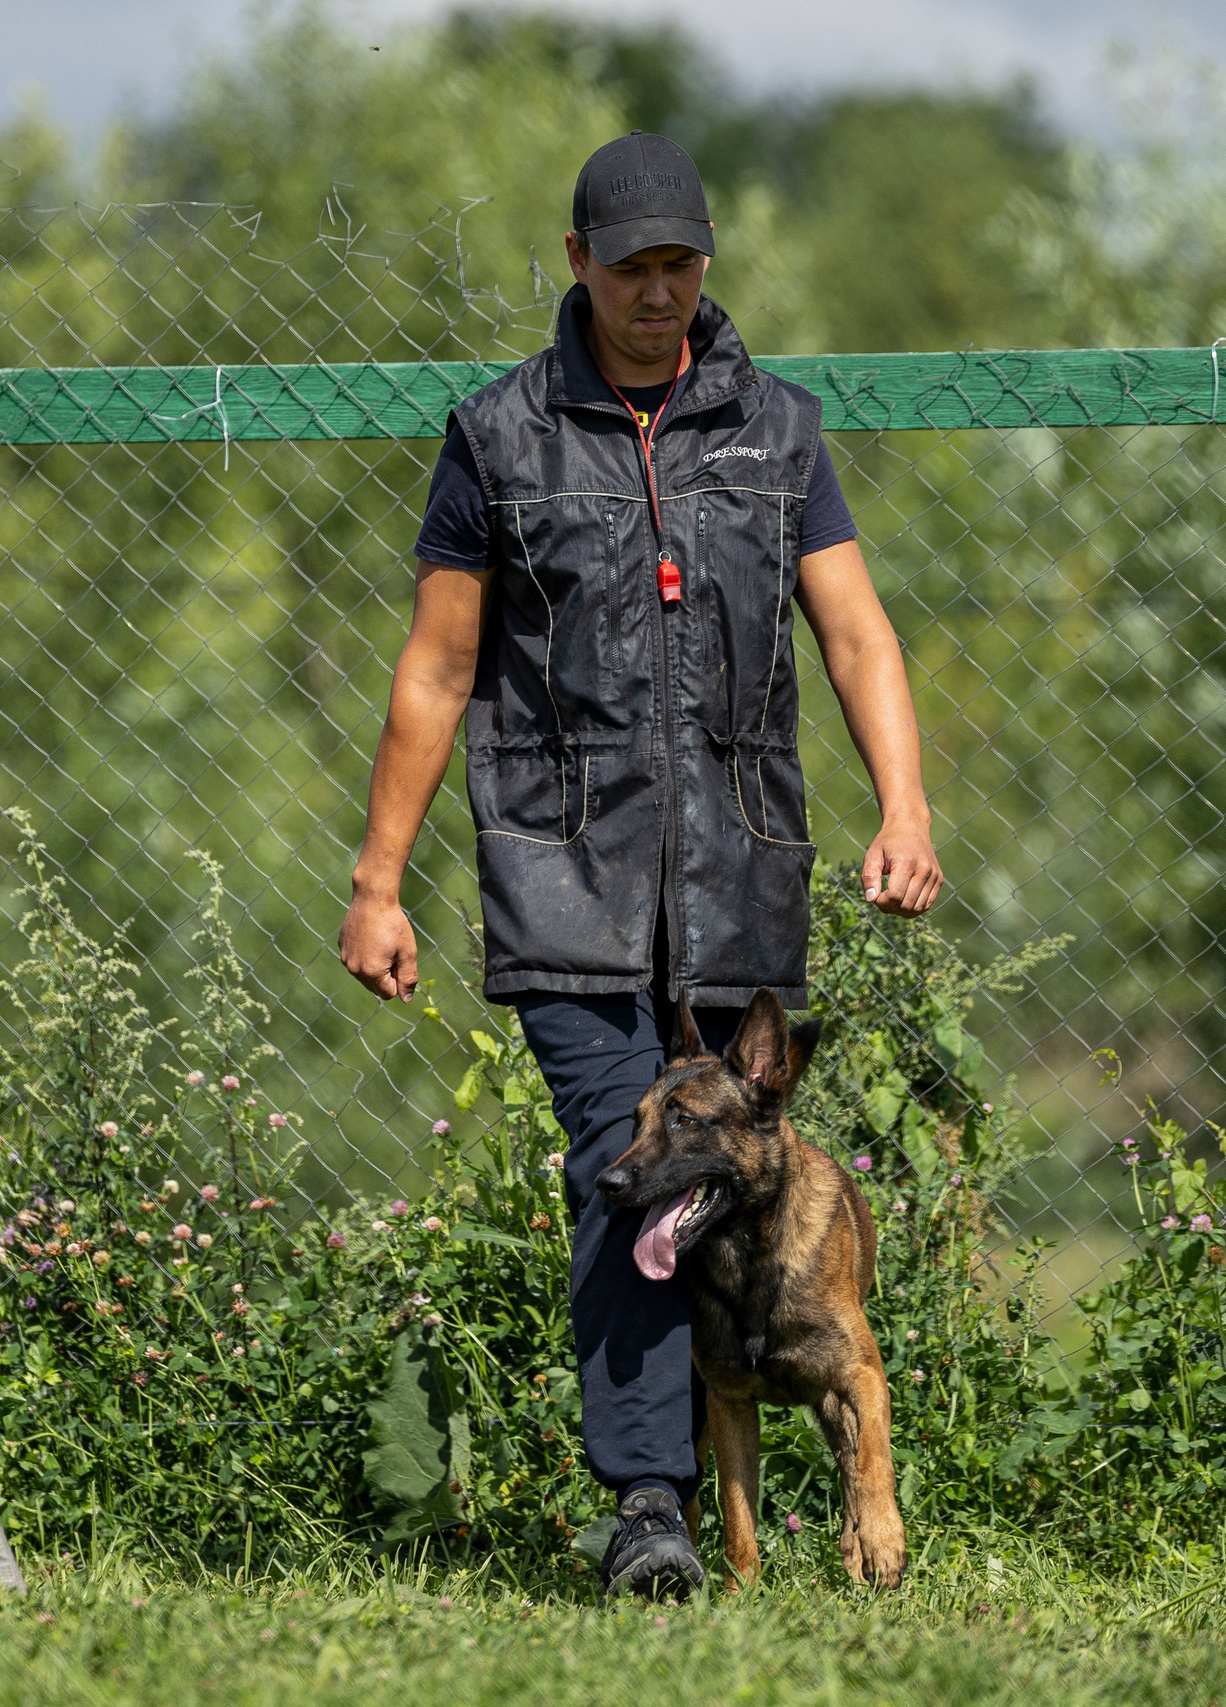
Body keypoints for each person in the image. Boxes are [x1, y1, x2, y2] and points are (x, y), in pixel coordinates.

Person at [337, 131, 941, 1598]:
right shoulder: (500, 439)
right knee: (630, 1160)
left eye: (683, 267)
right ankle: (653, 1506)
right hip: (565, 878)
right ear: (577, 267)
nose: (659, 294)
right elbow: (437, 668)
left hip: (740, 874)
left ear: (707, 266)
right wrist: (378, 879)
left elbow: (856, 632)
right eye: (632, 270)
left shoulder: (777, 432)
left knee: (726, 1181)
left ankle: (757, 1486)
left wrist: (905, 806)